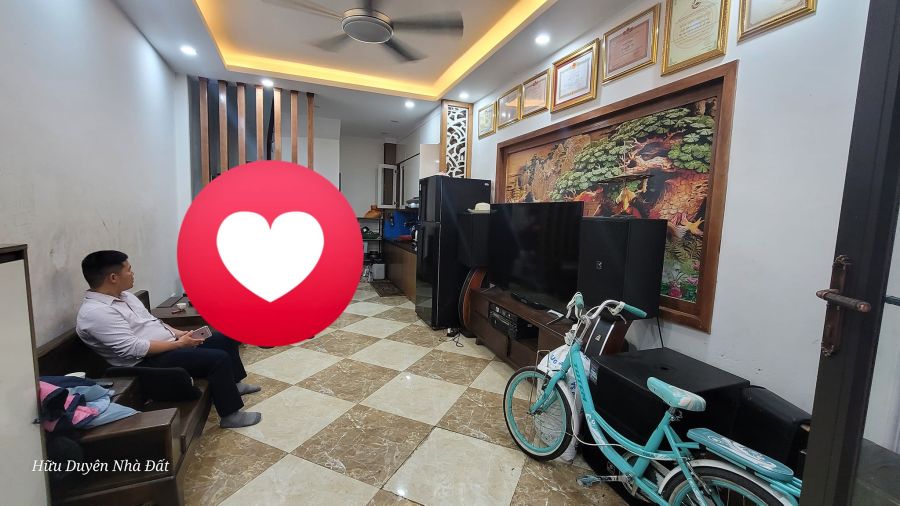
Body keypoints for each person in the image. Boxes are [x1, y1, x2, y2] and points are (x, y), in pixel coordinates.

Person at [75, 250, 262, 428]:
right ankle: (231, 415)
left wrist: (179, 334)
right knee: (218, 359)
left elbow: (153, 322)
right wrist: (179, 345)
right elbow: (134, 348)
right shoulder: (96, 312)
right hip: (146, 362)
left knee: (224, 338)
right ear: (113, 277)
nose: (132, 273)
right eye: (129, 269)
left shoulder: (126, 297)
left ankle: (234, 385)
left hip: (169, 345)